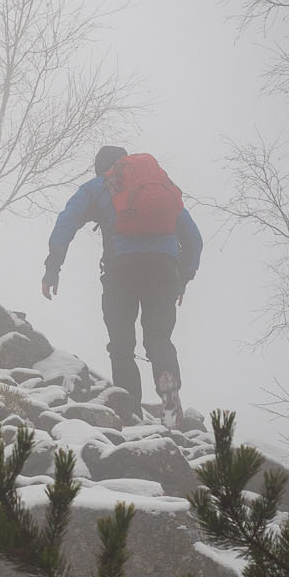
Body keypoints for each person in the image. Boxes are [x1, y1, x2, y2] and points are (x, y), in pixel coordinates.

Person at [41, 144, 202, 428]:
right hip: (164, 269)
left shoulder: (99, 186)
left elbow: (65, 223)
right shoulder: (159, 186)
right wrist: (183, 279)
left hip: (121, 270)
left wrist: (52, 269)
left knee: (121, 344)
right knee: (159, 339)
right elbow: (193, 238)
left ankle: (129, 410)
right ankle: (169, 397)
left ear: (101, 168)